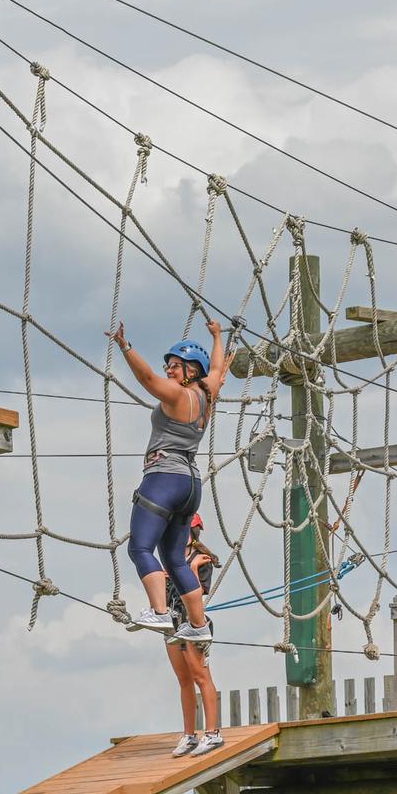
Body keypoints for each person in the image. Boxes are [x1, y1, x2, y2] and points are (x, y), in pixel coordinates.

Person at [109, 318, 231, 644]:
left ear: (192, 370)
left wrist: (125, 347)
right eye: (168, 365)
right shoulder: (209, 394)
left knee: (140, 547)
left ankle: (160, 612)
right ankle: (198, 624)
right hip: (191, 485)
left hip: (164, 477)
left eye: (176, 365)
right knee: (175, 558)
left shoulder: (179, 396)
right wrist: (218, 336)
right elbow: (218, 369)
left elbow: (146, 378)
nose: (169, 371)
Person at [165, 515, 225, 757]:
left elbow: (198, 592)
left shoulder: (201, 560)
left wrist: (190, 568)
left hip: (195, 624)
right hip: (173, 624)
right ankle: (189, 735)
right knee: (184, 680)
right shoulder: (170, 560)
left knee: (201, 677)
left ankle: (212, 733)